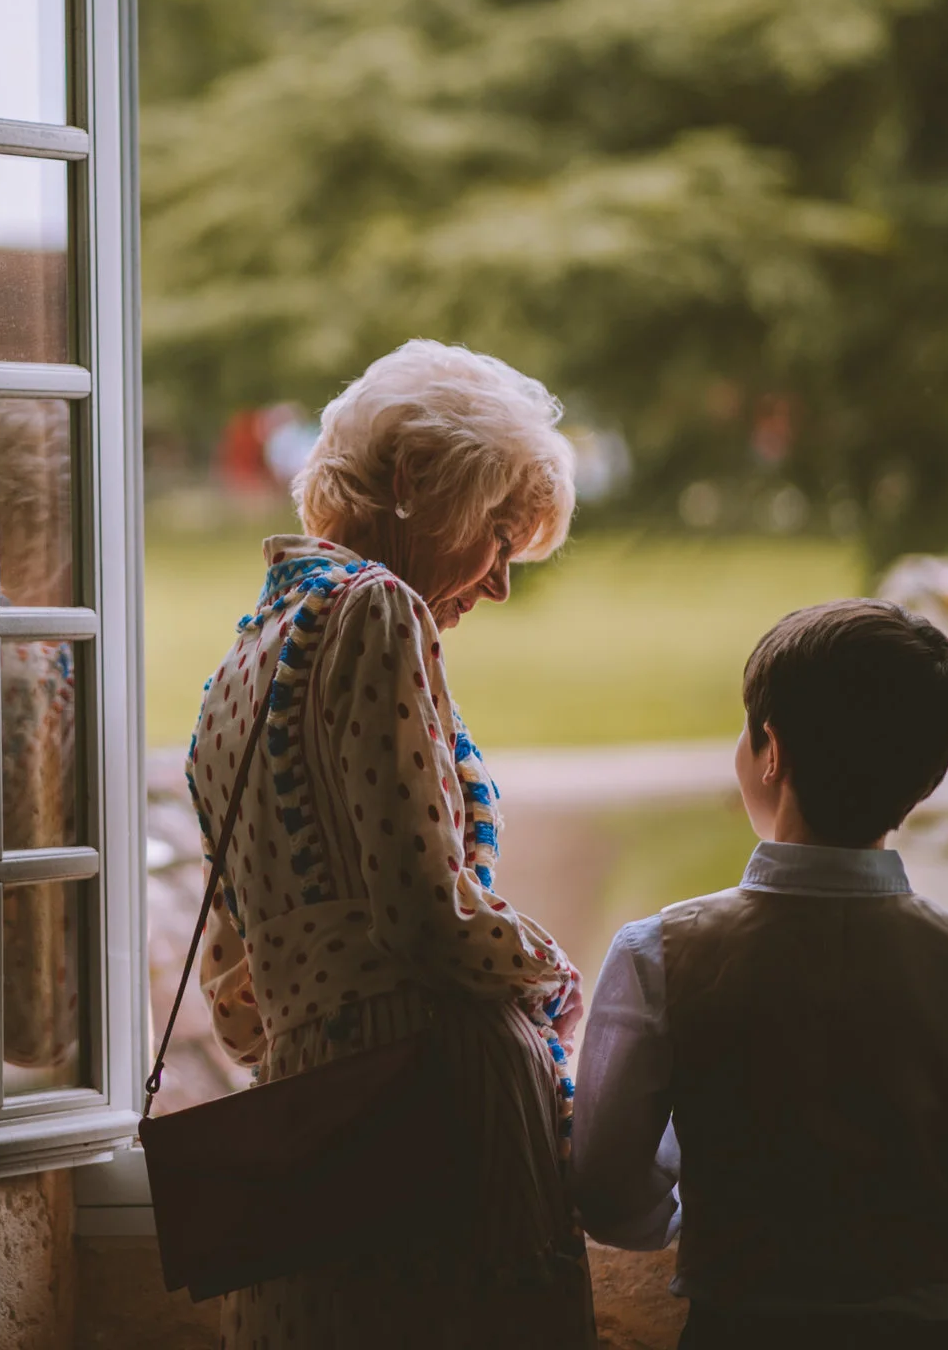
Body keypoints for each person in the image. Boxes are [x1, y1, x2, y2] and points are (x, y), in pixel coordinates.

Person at [184, 339, 595, 1348]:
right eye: (500, 537)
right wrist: (546, 974)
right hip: (422, 1112)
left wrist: (313, 1033)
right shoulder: (376, 607)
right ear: (413, 481)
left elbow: (234, 985)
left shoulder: (243, 658)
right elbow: (422, 911)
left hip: (305, 1111)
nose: (498, 583)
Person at [570, 600, 948, 1350]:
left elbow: (609, 1197)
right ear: (927, 777)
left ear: (770, 748)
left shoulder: (658, 955)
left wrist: (705, 1202)